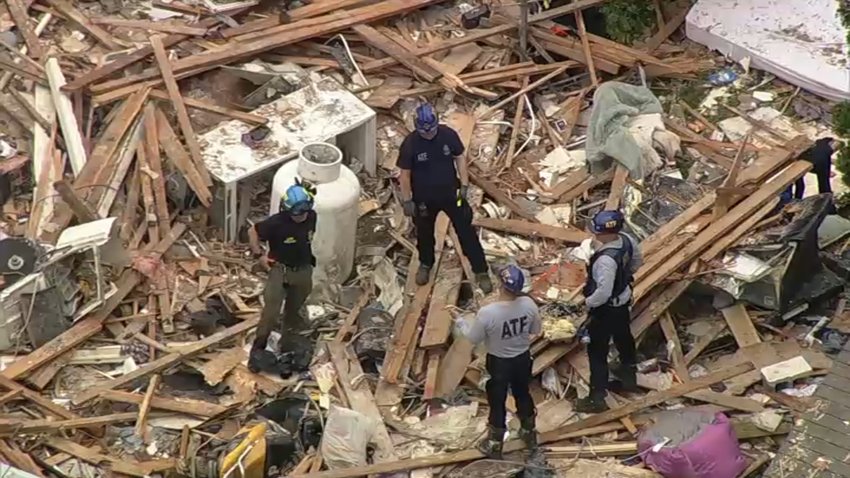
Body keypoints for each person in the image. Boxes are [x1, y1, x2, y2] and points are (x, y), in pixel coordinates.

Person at [397, 103, 492, 293]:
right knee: (424, 234)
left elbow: (459, 157)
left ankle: (481, 271)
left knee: (466, 231)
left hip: (452, 195)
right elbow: (404, 175)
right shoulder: (410, 144)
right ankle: (426, 264)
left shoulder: (448, 135)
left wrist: (464, 184)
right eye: (424, 132)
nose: (428, 134)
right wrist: (407, 200)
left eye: (431, 130)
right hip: (424, 200)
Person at [455, 265, 540, 458]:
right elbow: (535, 330)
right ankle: (529, 433)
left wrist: (459, 321)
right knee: (523, 393)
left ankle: (494, 442)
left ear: (500, 285)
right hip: (522, 358)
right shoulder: (529, 304)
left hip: (499, 361)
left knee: (497, 400)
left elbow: (473, 338)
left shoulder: (488, 313)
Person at [575, 210, 643, 414]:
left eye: (597, 232)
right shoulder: (627, 240)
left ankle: (597, 398)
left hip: (606, 308)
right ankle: (629, 375)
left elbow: (602, 293)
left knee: (597, 351)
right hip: (622, 299)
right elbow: (637, 262)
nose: (594, 235)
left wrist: (585, 303)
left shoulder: (605, 260)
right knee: (623, 336)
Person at [247, 182, 316, 372]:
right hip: (280, 269)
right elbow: (252, 231)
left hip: (302, 269)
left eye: (304, 213)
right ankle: (258, 349)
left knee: (294, 311)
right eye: (297, 214)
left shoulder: (312, 216)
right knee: (270, 312)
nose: (301, 217)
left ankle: (287, 345)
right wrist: (258, 254)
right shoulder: (276, 223)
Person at [781, 137, 838, 212]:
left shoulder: (816, 145)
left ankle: (795, 200)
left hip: (804, 161)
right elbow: (824, 181)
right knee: (823, 184)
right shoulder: (826, 151)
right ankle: (829, 208)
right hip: (817, 163)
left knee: (796, 182)